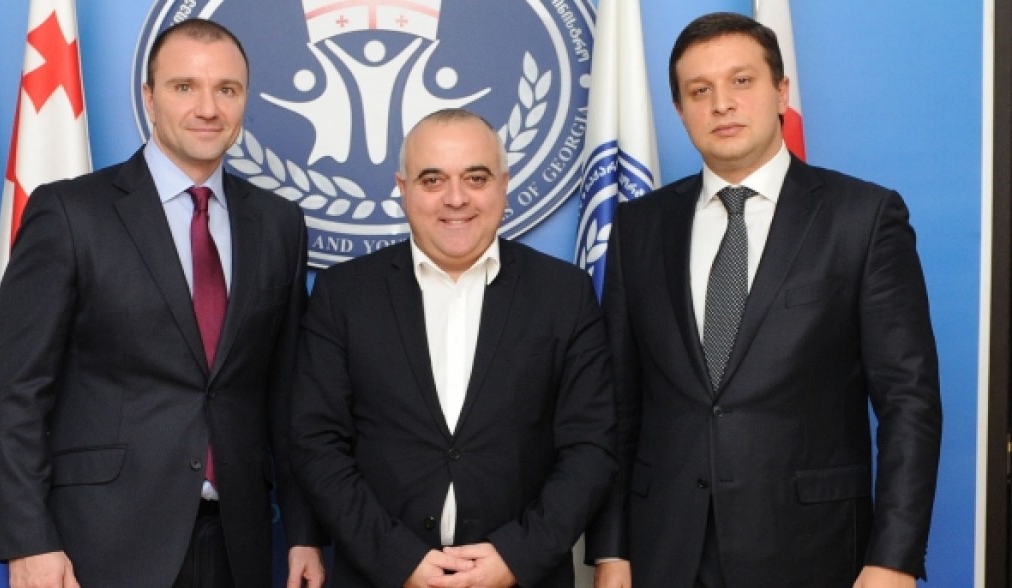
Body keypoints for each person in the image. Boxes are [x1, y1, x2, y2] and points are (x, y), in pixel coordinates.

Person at [585, 11, 942, 588]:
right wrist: (611, 551)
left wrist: (894, 559)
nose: (721, 104)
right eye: (699, 91)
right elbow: (620, 405)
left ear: (781, 91)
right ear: (679, 110)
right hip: (664, 552)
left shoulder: (863, 218)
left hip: (813, 549)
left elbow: (909, 402)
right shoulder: (638, 227)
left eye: (741, 81)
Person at [0, 19, 324, 588]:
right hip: (99, 544)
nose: (208, 108)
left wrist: (304, 533)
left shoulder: (278, 224)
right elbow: (16, 391)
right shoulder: (70, 213)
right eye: (184, 86)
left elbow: (287, 395)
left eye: (226, 89)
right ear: (149, 97)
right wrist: (29, 540)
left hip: (238, 542)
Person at [290, 108, 616, 588]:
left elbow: (591, 446)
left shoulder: (564, 295)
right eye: (432, 180)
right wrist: (396, 559)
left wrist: (517, 556)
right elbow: (316, 441)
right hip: (380, 577)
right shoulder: (344, 295)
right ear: (403, 189)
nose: (456, 198)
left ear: (504, 185)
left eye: (476, 178)